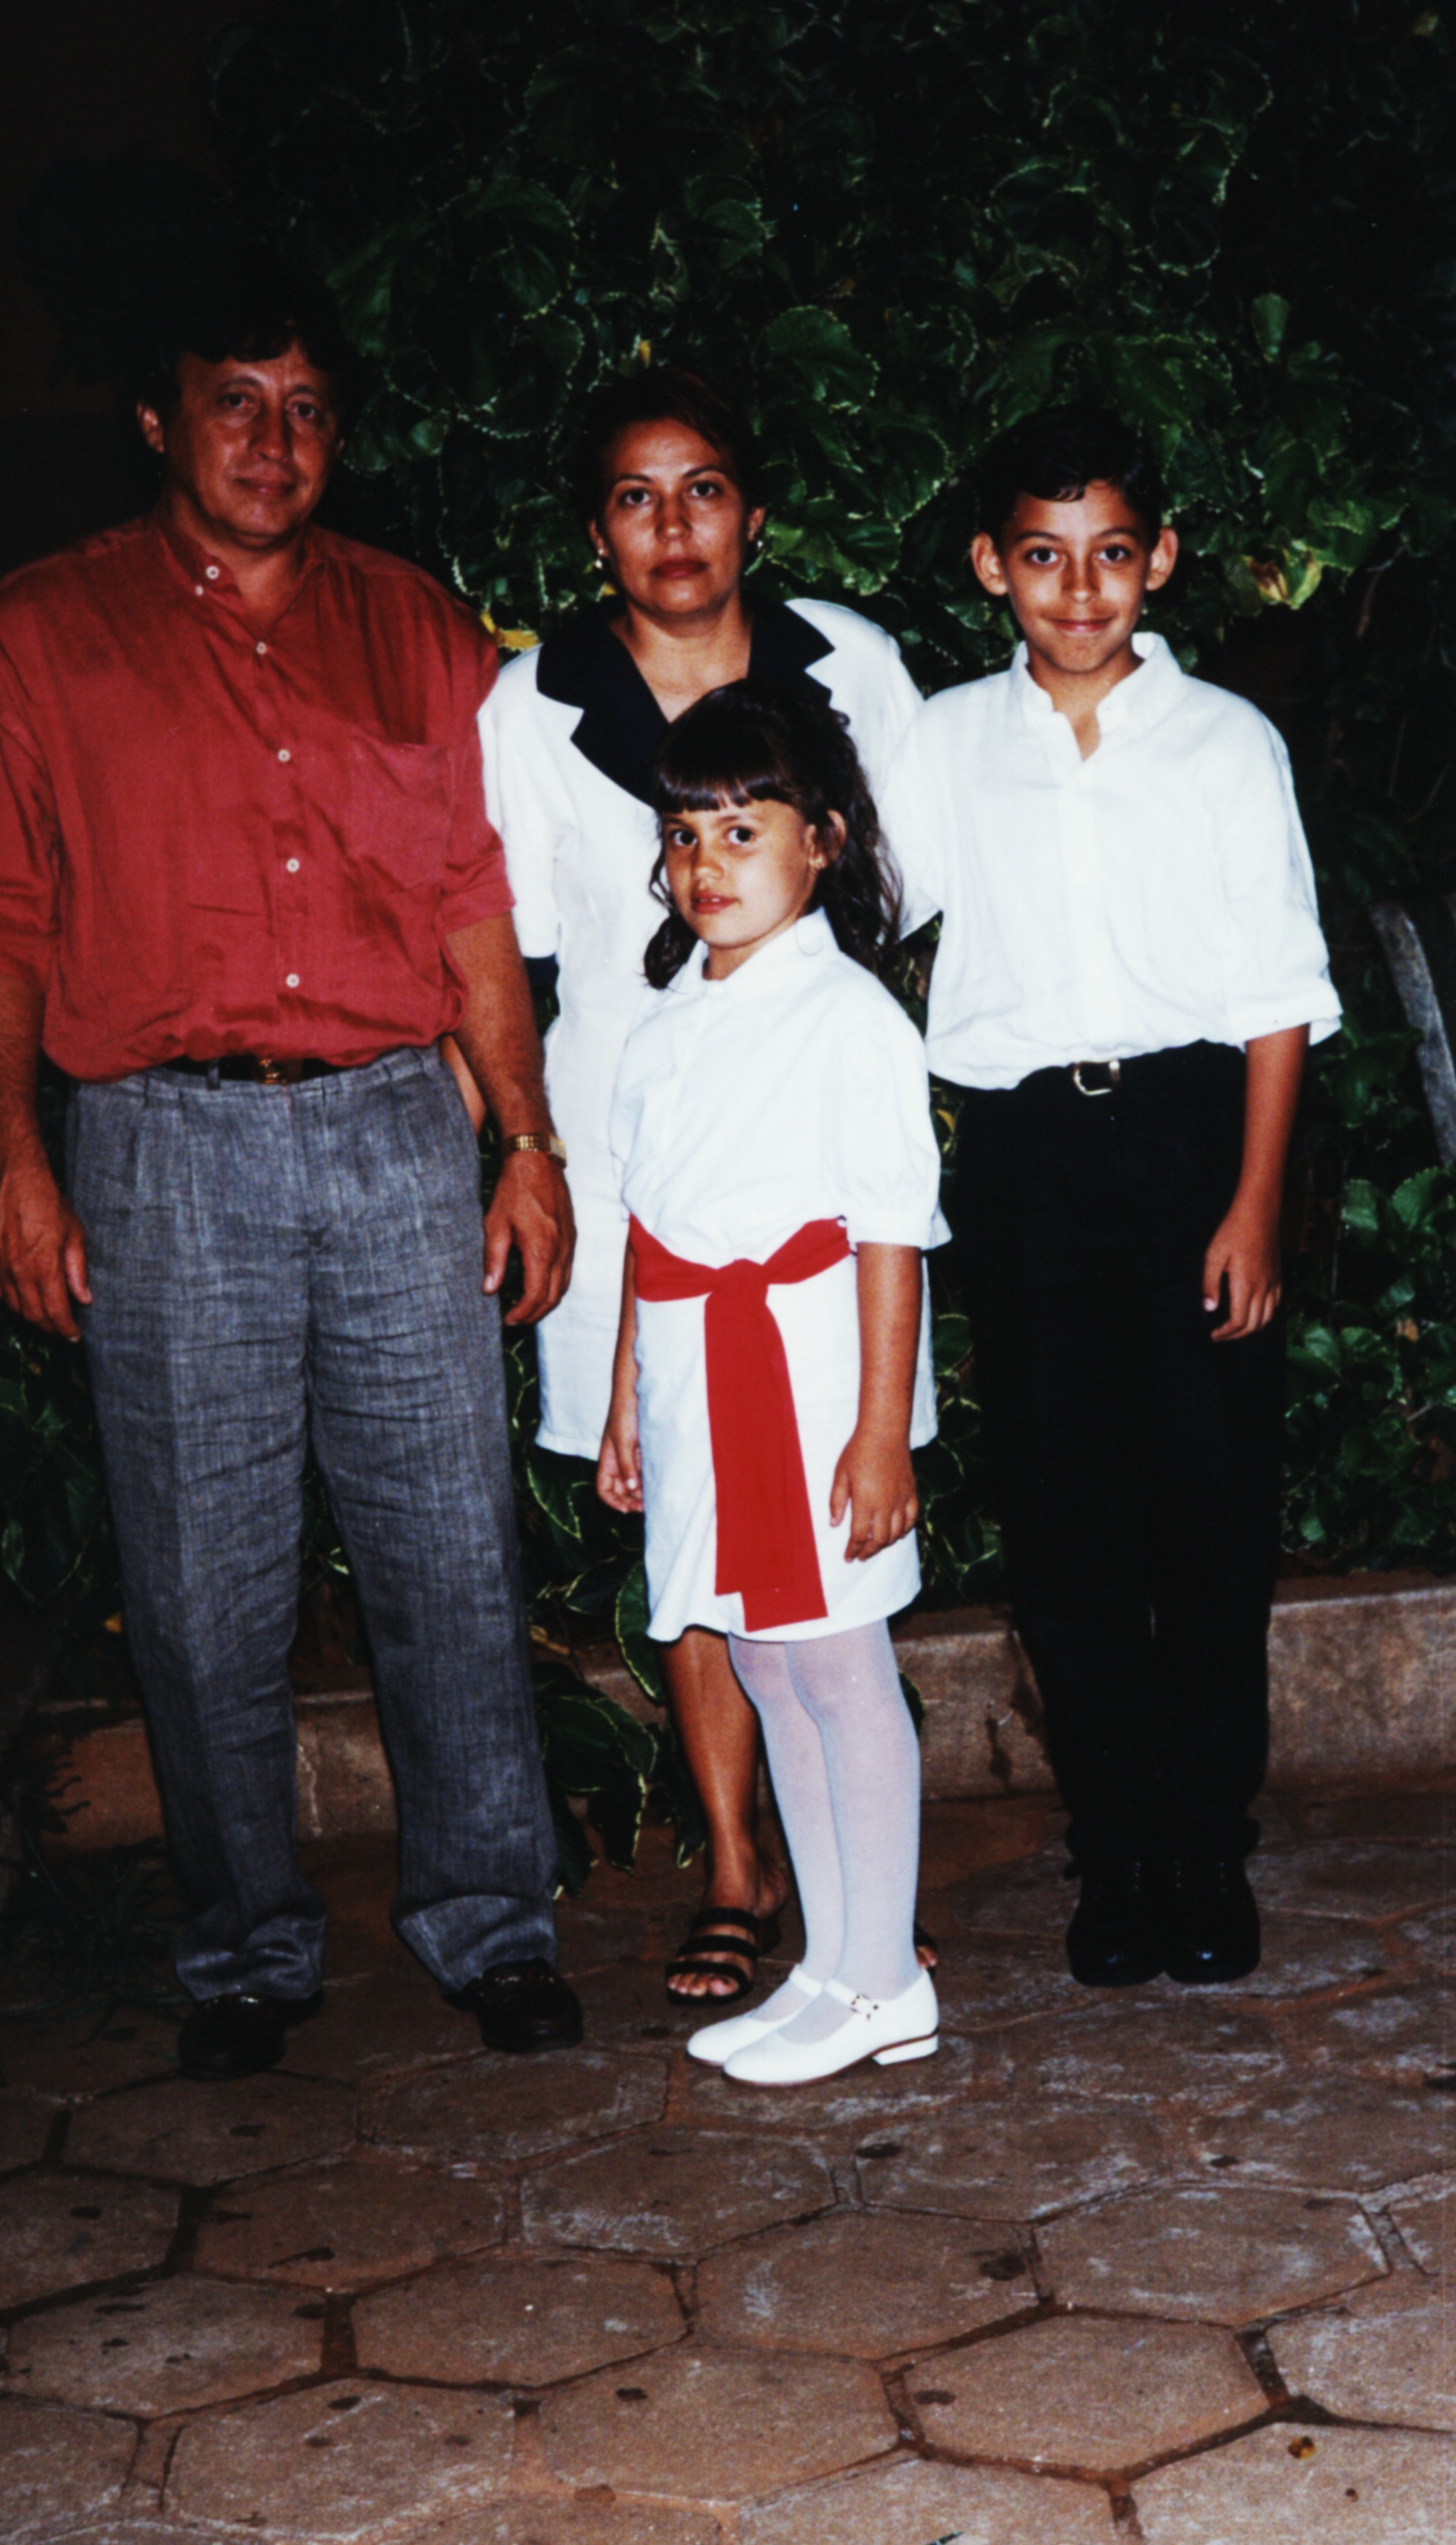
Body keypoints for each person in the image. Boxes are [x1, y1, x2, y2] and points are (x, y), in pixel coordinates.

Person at [0, 267, 583, 2078]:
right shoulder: (47, 633)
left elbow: (473, 909)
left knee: (447, 1537)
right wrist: (17, 1165)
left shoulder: (415, 626)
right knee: (201, 1579)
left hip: (390, 1126)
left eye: (302, 407)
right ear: (156, 419)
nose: (272, 442)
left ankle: (491, 1919)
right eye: (232, 402)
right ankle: (247, 1949)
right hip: (163, 1144)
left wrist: (524, 1142)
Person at [480, 367, 927, 2004]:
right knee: (685, 1521)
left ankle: (858, 1903)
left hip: (808, 1171)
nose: (674, 526)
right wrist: (527, 1155)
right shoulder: (533, 706)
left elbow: (904, 884)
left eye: (706, 488)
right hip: (632, 1167)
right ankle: (741, 1867)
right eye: (633, 496)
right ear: (594, 526)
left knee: (827, 1528)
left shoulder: (847, 666)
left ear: (754, 506)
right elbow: (506, 958)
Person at [880, 405, 1342, 1990]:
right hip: (1025, 1158)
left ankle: (1206, 1847)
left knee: (1207, 1516)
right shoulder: (946, 742)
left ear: (1163, 560)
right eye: (1041, 557)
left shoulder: (1225, 744)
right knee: (1069, 1518)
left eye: (1112, 555)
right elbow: (868, 913)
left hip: (1195, 1135)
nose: (1078, 591)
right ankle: (1120, 1847)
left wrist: (1256, 1203)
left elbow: (1279, 992)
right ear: (990, 567)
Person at [596, 679, 943, 2085]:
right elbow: (649, 1226)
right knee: (757, 1658)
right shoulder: (669, 1021)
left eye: (744, 830)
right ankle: (831, 1965)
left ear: (824, 843)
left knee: (835, 1663)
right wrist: (626, 1403)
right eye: (685, 836)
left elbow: (890, 1233)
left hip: (806, 1381)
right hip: (695, 1384)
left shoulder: (850, 1019)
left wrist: (879, 1436)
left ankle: (885, 1976)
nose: (707, 866)